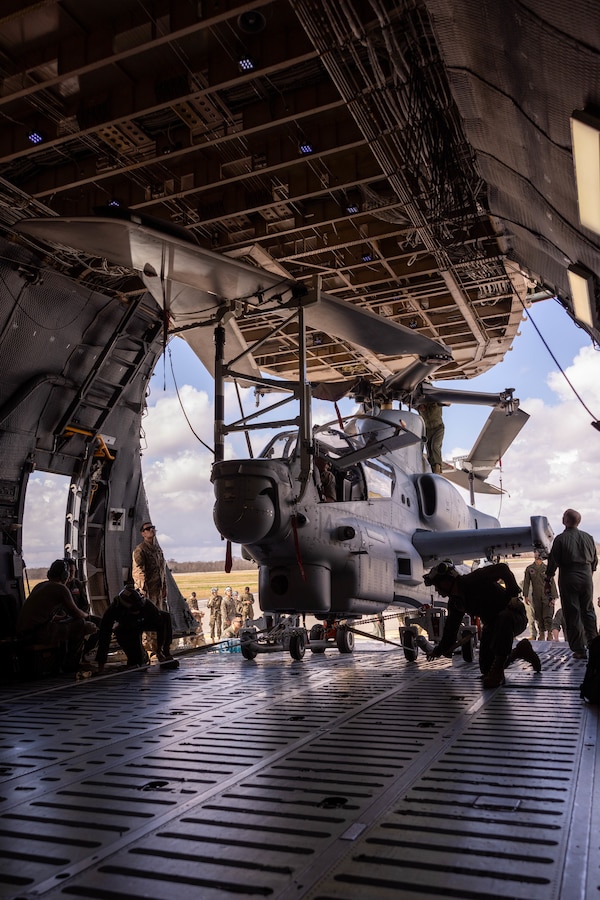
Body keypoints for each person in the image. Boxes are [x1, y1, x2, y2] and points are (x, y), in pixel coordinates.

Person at [424, 559, 540, 688]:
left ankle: (497, 674)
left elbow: (502, 568)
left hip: (514, 616)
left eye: (437, 585)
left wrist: (513, 595)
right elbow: (451, 628)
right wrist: (438, 650)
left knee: (503, 618)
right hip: (493, 625)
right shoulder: (456, 602)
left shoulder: (473, 579)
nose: (437, 590)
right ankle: (520, 651)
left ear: (447, 581)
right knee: (486, 668)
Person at [16, 559, 97, 673]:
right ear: (65, 575)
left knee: (66, 627)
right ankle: (72, 665)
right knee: (84, 625)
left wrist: (62, 618)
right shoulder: (60, 588)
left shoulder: (41, 585)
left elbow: (42, 615)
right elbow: (77, 614)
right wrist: (86, 615)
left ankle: (64, 661)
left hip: (26, 633)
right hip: (37, 633)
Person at [545, 509, 598, 659]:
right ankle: (594, 645)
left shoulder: (561, 539)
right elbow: (594, 561)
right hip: (587, 577)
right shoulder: (589, 537)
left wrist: (548, 581)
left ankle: (580, 650)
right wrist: (588, 575)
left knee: (572, 613)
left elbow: (553, 562)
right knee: (588, 611)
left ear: (566, 521)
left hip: (569, 577)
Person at [95, 582, 175, 672]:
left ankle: (166, 653)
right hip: (128, 626)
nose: (137, 611)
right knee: (136, 662)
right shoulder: (113, 610)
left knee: (165, 617)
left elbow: (161, 626)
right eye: (134, 610)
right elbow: (104, 636)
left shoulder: (147, 605)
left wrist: (160, 649)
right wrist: (101, 664)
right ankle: (138, 657)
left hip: (145, 621)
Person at [132, 522, 167, 611]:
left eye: (152, 527)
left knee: (159, 615)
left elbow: (162, 570)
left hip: (158, 590)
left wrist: (164, 587)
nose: (151, 530)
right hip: (147, 591)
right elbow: (138, 572)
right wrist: (143, 591)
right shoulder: (140, 550)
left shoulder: (158, 550)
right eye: (147, 529)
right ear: (143, 533)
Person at [523, 551, 558, 640]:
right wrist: (526, 595)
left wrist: (553, 597)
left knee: (548, 615)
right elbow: (526, 583)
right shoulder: (529, 569)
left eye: (539, 554)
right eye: (536, 553)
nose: (537, 555)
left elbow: (552, 583)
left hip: (547, 595)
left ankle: (550, 634)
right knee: (538, 616)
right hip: (536, 596)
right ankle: (541, 633)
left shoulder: (546, 568)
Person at [417, 399, 445, 474]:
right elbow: (409, 403)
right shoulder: (419, 404)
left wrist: (444, 400)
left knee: (435, 446)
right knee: (429, 450)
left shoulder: (435, 400)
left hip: (438, 428)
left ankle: (437, 467)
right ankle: (432, 469)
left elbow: (447, 402)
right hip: (427, 430)